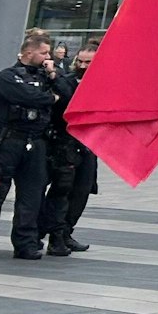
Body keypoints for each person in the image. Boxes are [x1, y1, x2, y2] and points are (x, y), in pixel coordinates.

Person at [0, 33, 63, 260]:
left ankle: (26, 244)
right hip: (7, 141)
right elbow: (28, 96)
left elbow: (67, 95)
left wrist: (53, 75)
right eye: (43, 53)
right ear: (29, 52)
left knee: (31, 197)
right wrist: (51, 98)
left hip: (37, 142)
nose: (47, 57)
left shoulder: (46, 77)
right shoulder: (8, 76)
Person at [40, 41, 99, 256]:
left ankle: (66, 231)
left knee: (82, 191)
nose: (82, 65)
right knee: (62, 191)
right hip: (65, 143)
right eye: (80, 61)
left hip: (88, 144)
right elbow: (68, 99)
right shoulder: (66, 80)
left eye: (88, 62)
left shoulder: (104, 83)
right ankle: (53, 235)